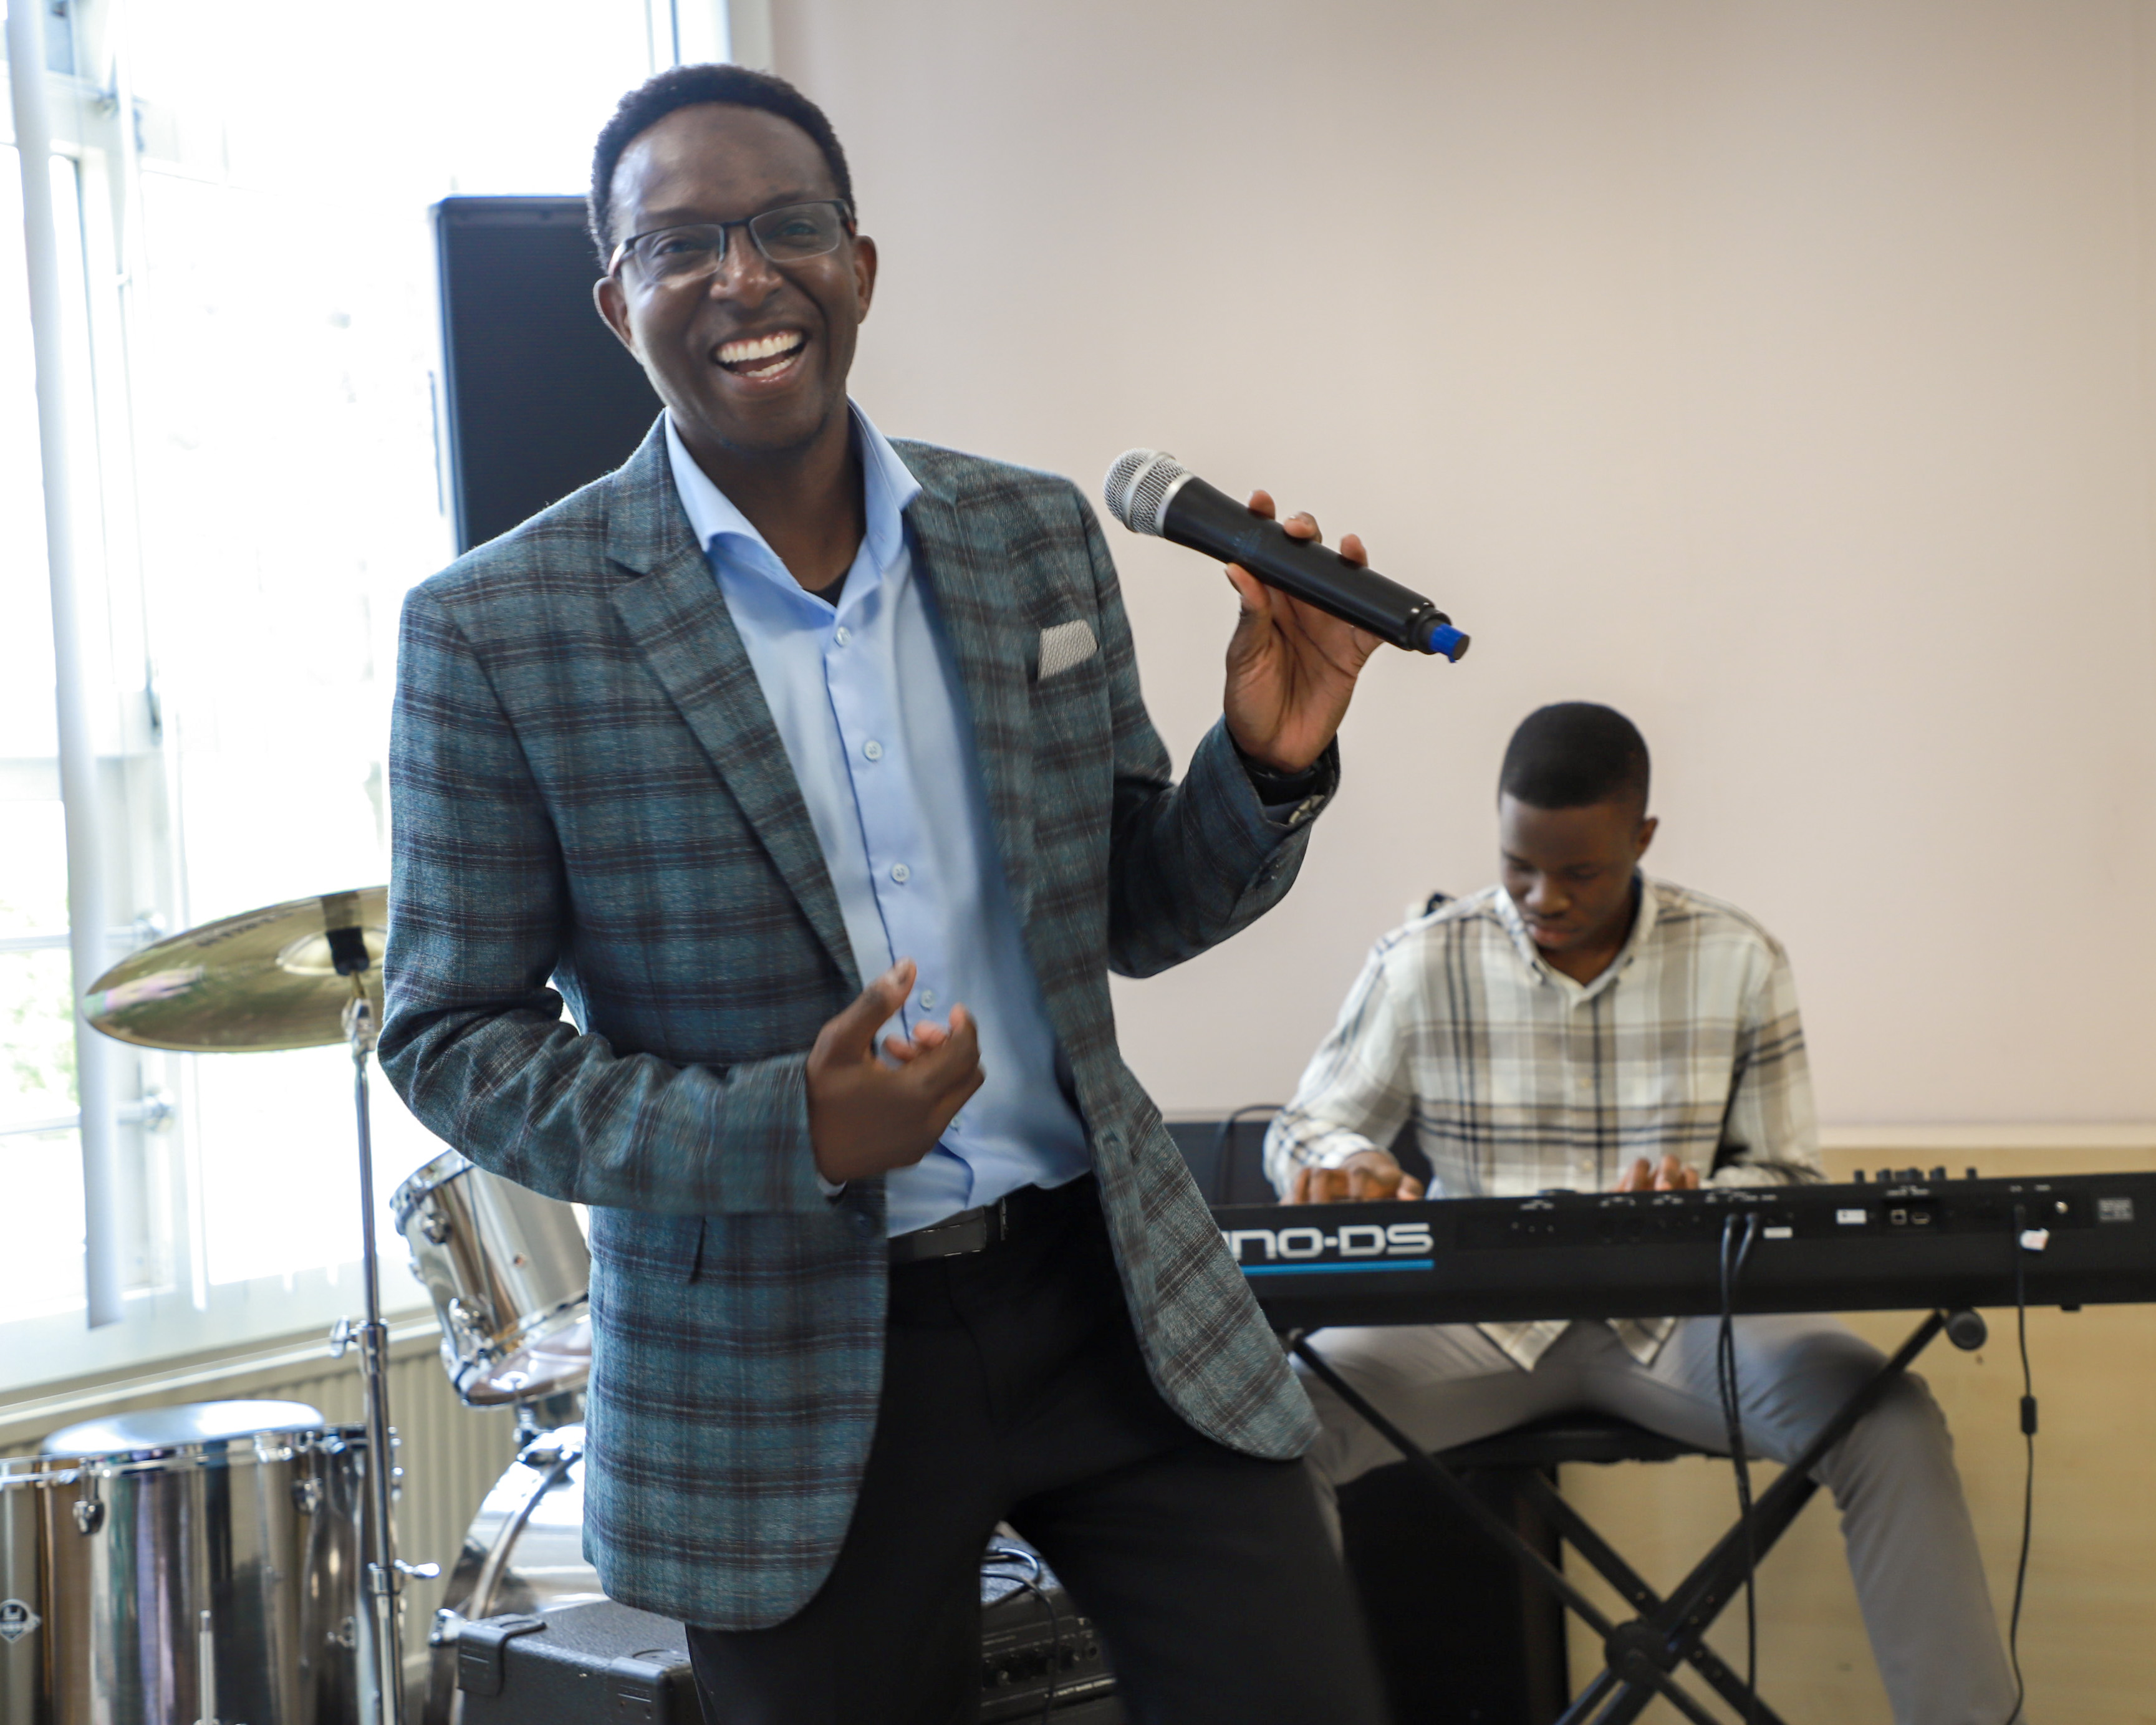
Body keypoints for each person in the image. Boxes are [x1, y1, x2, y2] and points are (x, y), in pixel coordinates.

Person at [382, 63, 1390, 1725]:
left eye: (786, 226)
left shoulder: (1027, 538)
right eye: (680, 243)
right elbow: (451, 1038)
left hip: (1109, 1293)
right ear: (617, 299)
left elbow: (1133, 907)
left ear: (857, 264)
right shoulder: (497, 628)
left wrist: (1265, 764)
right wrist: (790, 1128)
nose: (743, 276)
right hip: (772, 1365)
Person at [1266, 701, 2024, 1725]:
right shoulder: (1421, 959)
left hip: (1683, 1322)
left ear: (1642, 838)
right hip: (1471, 1321)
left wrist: (1701, 1208)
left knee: (1889, 1421)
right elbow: (1305, 1127)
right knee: (1270, 1427)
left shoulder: (1738, 956)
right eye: (1517, 865)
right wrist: (1346, 1162)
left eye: (1578, 872)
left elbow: (1787, 1176)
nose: (1543, 897)